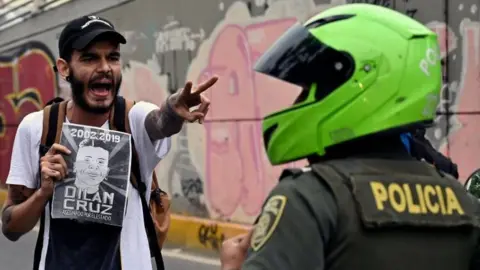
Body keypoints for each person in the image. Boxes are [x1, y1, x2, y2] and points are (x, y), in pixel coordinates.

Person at [220, 4, 480, 270]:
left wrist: (232, 267)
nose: (297, 104)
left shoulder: (309, 199)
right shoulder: (463, 204)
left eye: (312, 89)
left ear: (357, 85)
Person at [1, 15, 217, 270]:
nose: (105, 67)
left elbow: (159, 121)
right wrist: (43, 193)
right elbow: (10, 226)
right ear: (64, 68)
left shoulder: (133, 119)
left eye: (112, 57)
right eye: (90, 58)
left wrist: (173, 108)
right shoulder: (37, 127)